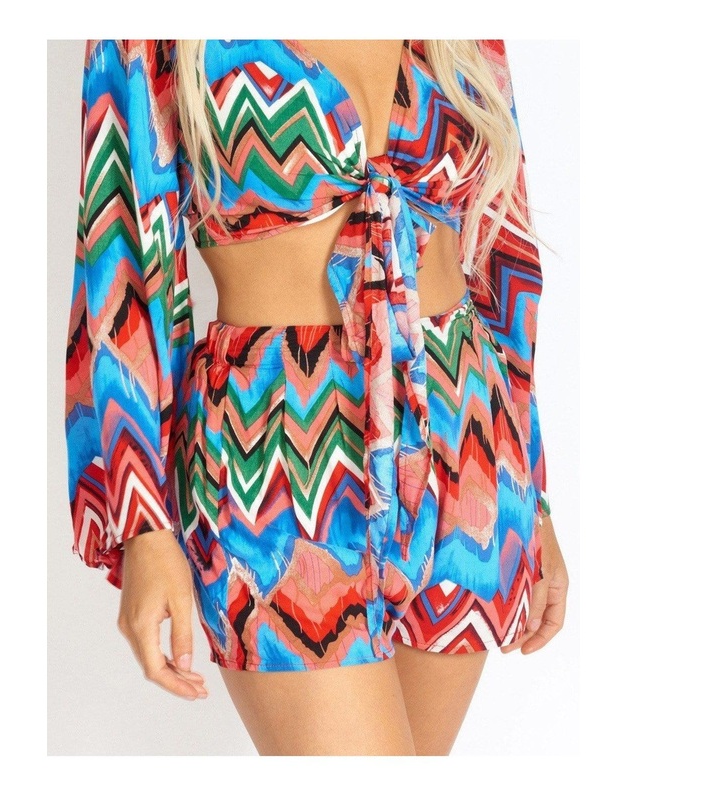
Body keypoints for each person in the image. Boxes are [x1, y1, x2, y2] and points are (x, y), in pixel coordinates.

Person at [64, 38, 569, 756]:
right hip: (273, 451)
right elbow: (120, 258)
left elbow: (500, 250)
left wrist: (536, 495)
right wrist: (142, 522)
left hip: (467, 437)